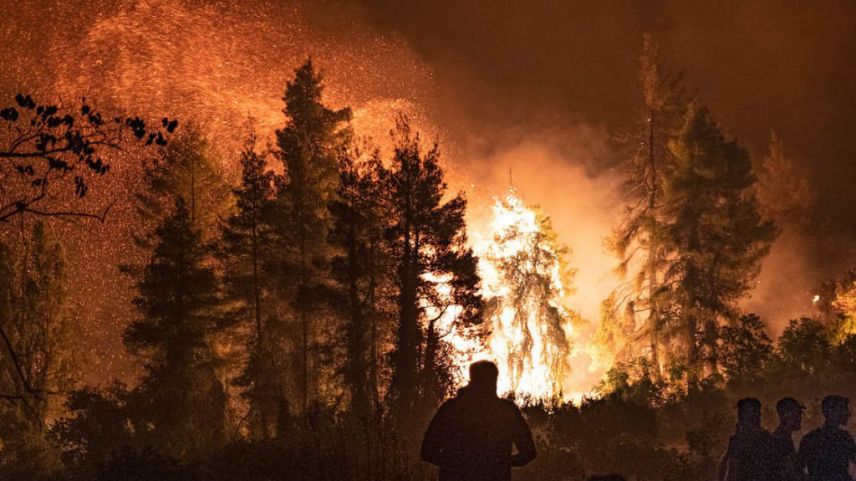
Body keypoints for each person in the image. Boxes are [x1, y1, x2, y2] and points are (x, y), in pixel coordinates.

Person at [421, 360, 536, 481]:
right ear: (494, 381)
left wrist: (454, 463)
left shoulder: (451, 409)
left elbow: (427, 452)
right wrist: (501, 463)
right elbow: (528, 452)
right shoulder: (506, 411)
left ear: (472, 379)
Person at [799, 395, 856, 481]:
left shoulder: (810, 438)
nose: (848, 413)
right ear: (833, 413)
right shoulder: (844, 438)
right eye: (843, 409)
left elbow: (798, 469)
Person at [718, 397, 776, 481]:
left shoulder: (765, 438)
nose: (755, 416)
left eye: (754, 412)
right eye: (750, 413)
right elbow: (728, 464)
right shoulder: (736, 440)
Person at [771, 397, 806, 481]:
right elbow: (790, 473)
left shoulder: (783, 437)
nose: (800, 417)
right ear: (785, 415)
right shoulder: (780, 440)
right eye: (797, 413)